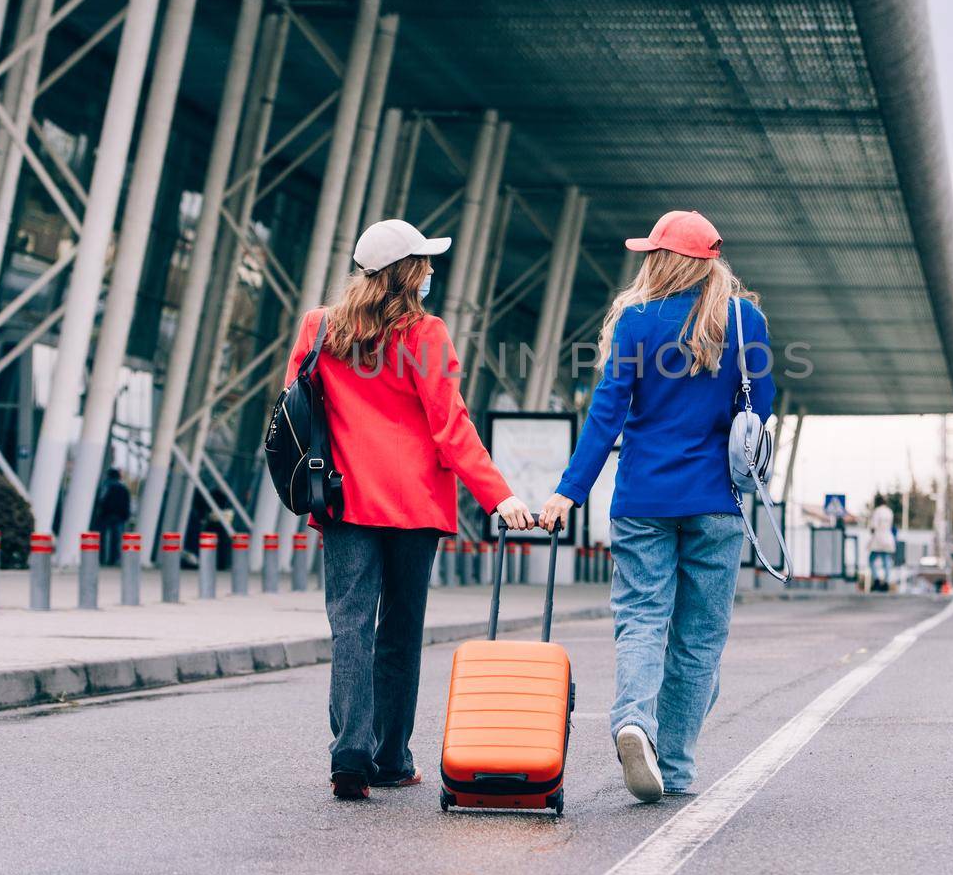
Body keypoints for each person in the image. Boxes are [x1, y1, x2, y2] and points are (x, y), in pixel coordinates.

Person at [284, 218, 533, 801]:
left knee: (350, 626)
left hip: (343, 499)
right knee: (399, 632)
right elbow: (452, 429)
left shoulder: (320, 328)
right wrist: (501, 496)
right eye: (424, 263)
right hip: (414, 505)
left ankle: (349, 750)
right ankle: (390, 758)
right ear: (410, 272)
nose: (430, 272)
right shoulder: (427, 334)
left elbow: (299, 408)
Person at [538, 209, 773, 803]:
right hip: (717, 502)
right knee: (699, 639)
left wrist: (569, 491)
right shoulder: (744, 321)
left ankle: (635, 720)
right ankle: (677, 764)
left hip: (642, 498)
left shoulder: (635, 322)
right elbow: (760, 411)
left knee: (642, 618)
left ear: (662, 260)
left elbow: (606, 415)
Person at [93, 469, 132, 566]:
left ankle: (101, 559)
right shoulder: (124, 489)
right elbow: (127, 504)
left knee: (102, 538)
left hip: (106, 515)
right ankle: (114, 560)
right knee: (117, 540)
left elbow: (101, 500)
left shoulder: (106, 486)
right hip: (119, 517)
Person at [867, 494, 896, 591]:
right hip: (888, 538)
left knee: (871, 560)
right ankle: (886, 582)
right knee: (886, 560)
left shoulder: (877, 511)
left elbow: (873, 526)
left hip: (878, 538)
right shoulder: (889, 511)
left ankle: (876, 580)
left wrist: (871, 533)